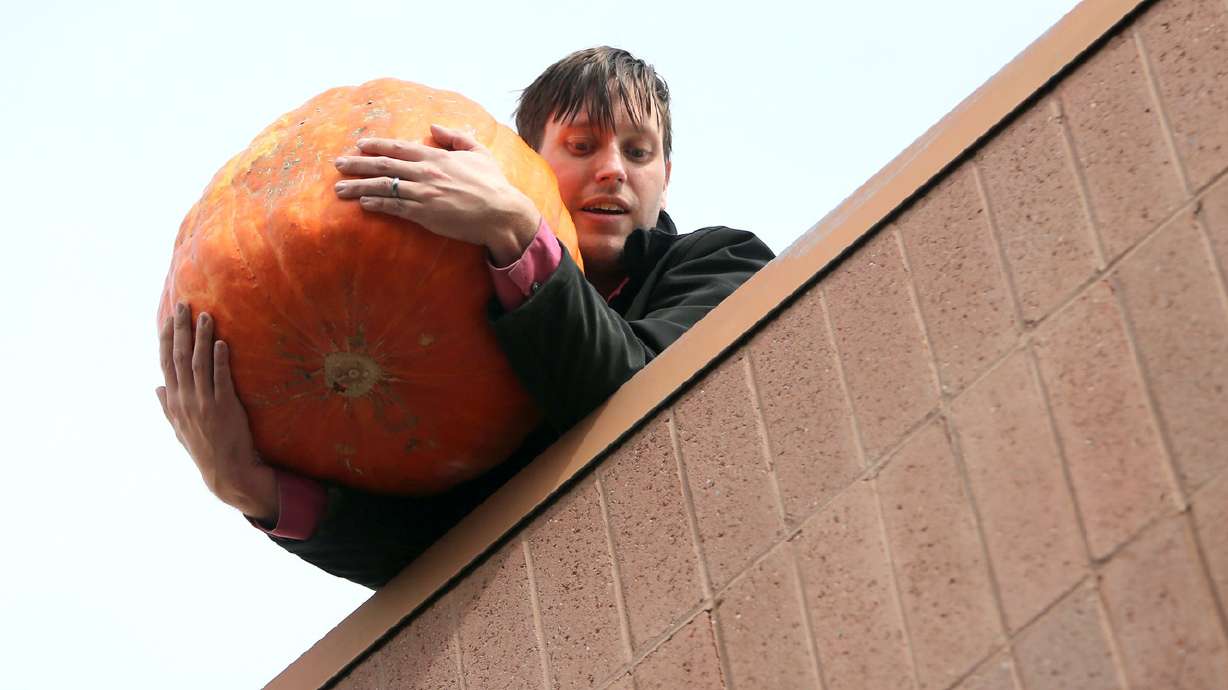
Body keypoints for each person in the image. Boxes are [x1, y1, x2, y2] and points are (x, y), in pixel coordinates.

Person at [156, 47, 775, 589]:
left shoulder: (722, 261)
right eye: (582, 146)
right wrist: (251, 489)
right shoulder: (472, 299)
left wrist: (517, 231)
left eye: (639, 151)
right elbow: (430, 553)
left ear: (665, 180)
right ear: (527, 165)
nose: (614, 168)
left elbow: (639, 405)